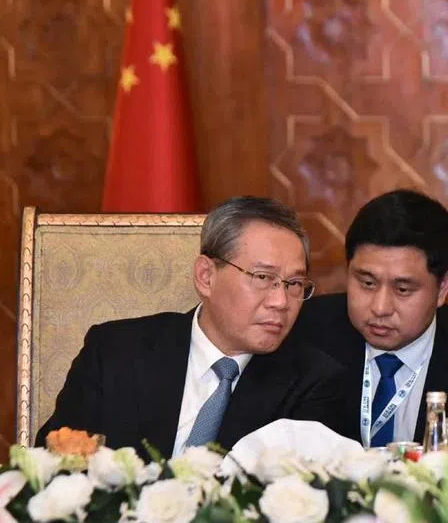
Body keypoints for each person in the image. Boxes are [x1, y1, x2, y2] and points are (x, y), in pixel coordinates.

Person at [35, 196, 355, 457]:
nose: (281, 301)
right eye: (263, 278)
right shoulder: (115, 352)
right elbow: (51, 465)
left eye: (295, 284)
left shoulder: (316, 382)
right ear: (206, 276)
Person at [287, 190, 448, 447]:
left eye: (403, 289)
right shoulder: (303, 333)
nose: (381, 307)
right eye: (367, 283)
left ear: (442, 288)